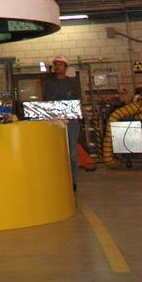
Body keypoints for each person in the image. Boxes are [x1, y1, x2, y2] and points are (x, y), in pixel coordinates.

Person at [43, 54, 81, 192]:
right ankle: (58, 180)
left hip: (70, 121)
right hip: (55, 121)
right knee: (56, 152)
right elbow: (48, 102)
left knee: (72, 153)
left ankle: (73, 181)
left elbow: (76, 102)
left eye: (60, 64)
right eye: (56, 64)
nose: (57, 66)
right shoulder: (48, 84)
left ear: (65, 67)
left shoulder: (73, 83)